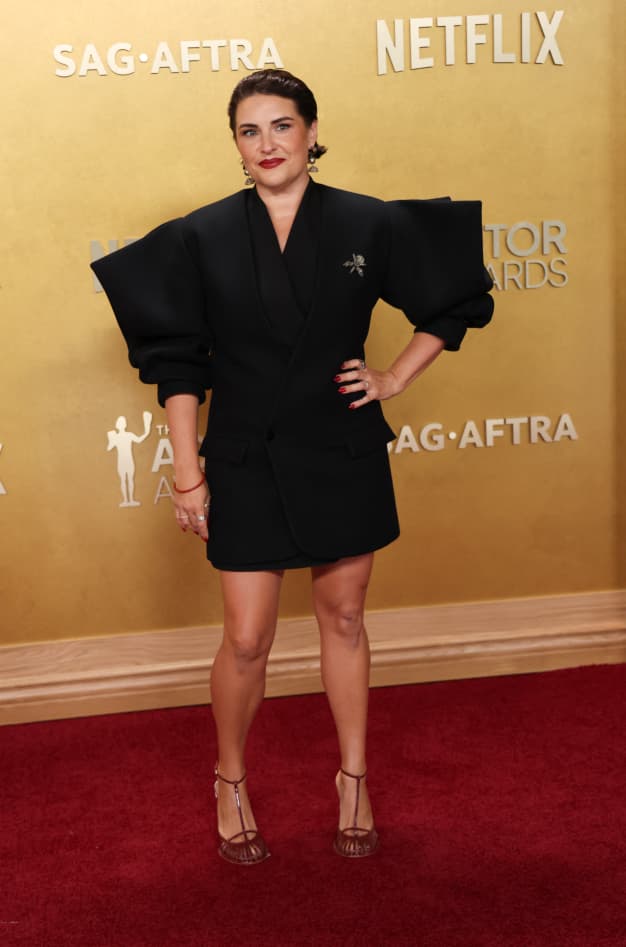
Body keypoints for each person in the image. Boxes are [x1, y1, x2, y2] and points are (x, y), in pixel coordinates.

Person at [92, 69, 494, 865]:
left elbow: (454, 299)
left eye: (282, 126)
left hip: (340, 449)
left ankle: (353, 779)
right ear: (236, 147)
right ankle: (230, 779)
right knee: (247, 637)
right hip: (241, 456)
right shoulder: (199, 236)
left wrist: (393, 378)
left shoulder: (366, 223)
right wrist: (186, 474)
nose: (268, 144)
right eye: (250, 131)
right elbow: (178, 365)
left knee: (343, 618)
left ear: (312, 131)